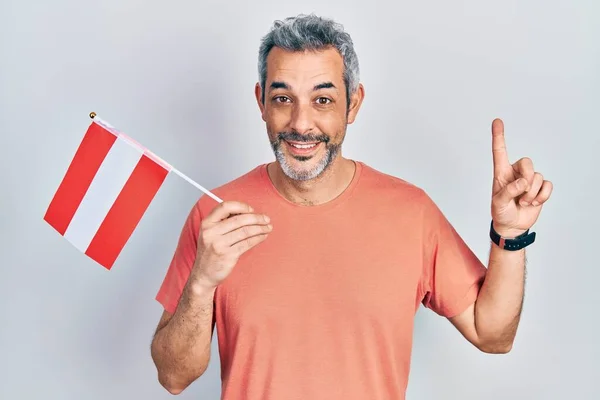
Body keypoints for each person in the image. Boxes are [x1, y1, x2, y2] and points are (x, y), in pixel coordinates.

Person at [150, 14, 553, 399]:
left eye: (322, 99)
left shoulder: (410, 213)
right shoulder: (217, 215)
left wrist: (510, 236)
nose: (301, 123)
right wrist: (201, 284)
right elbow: (173, 377)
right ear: (261, 103)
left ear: (353, 104)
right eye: (282, 98)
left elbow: (493, 334)